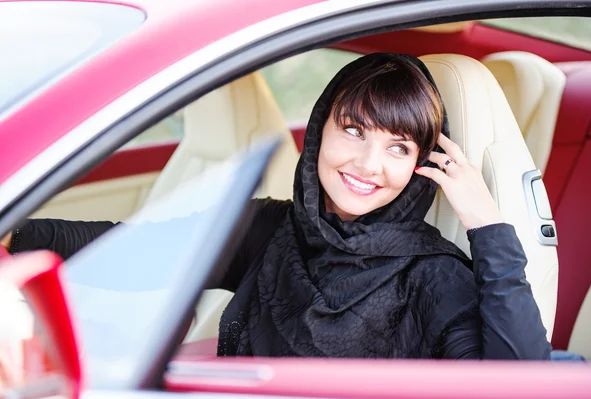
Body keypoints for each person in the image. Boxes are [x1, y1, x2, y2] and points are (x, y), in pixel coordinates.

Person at [2, 53, 551, 359]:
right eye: (353, 129)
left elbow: (519, 380)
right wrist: (16, 238)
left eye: (398, 147)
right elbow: (142, 247)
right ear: (320, 130)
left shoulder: (433, 277)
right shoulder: (275, 228)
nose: (367, 163)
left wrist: (489, 228)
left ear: (420, 165)